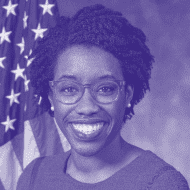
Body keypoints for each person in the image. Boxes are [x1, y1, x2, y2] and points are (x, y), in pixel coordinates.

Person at [16, 4, 189, 190]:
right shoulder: (34, 175)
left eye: (105, 89)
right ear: (51, 97)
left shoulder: (161, 184)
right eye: (68, 89)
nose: (87, 107)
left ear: (128, 95)